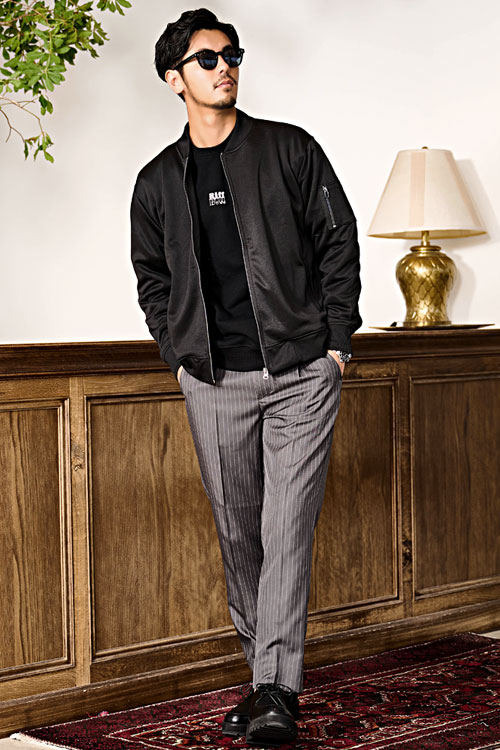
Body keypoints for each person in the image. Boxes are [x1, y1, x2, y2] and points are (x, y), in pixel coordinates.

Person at [130, 7, 362, 745]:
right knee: (240, 536)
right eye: (207, 59)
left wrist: (336, 344)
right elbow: (152, 278)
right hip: (213, 380)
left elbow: (338, 240)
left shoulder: (289, 149)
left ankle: (275, 691)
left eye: (231, 54)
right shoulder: (157, 182)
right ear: (175, 79)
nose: (224, 66)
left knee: (285, 530)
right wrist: (179, 356)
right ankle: (265, 683)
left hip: (300, 372)